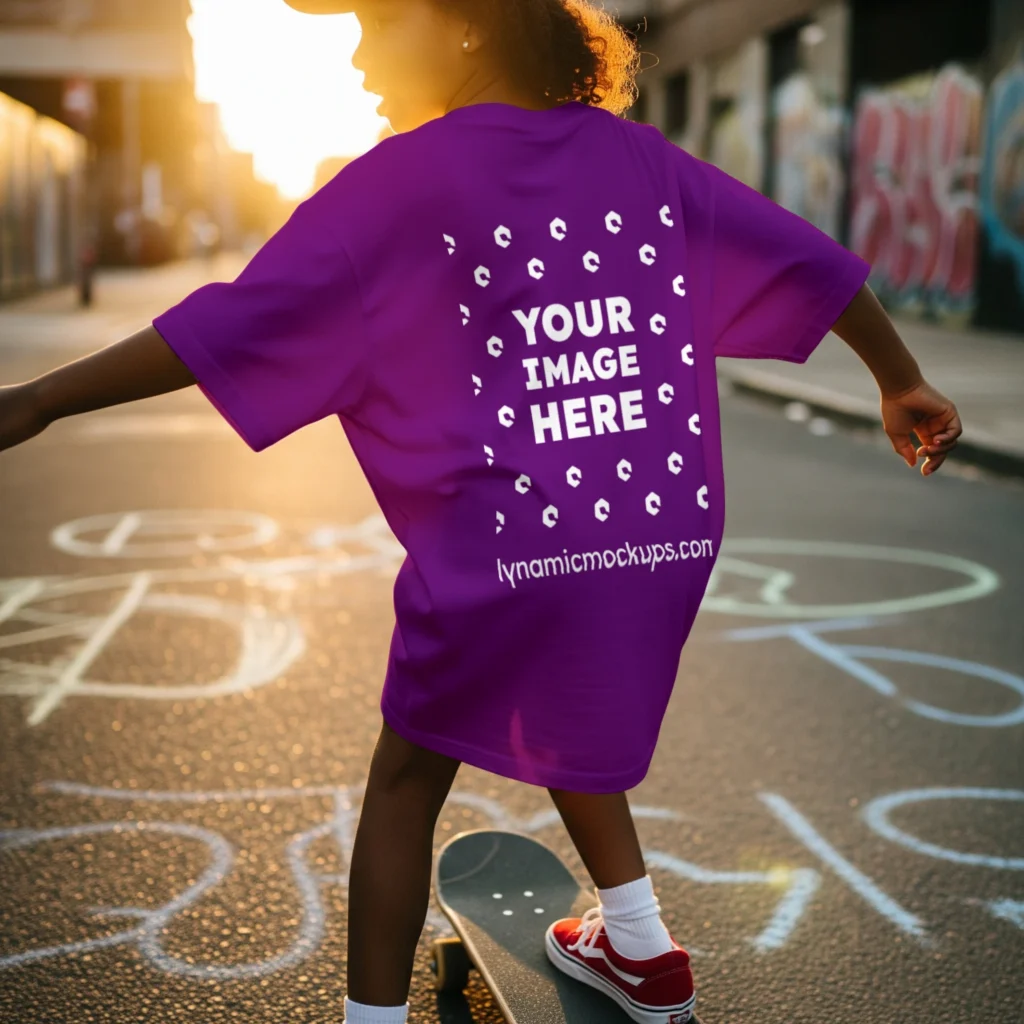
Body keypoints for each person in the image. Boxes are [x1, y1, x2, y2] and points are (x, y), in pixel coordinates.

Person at [0, 1, 963, 1021]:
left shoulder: (398, 181)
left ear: (464, 27)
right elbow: (807, 264)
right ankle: (638, 947)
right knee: (557, 690)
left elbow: (233, 325)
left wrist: (43, 396)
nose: (360, 56)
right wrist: (899, 380)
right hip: (656, 531)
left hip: (510, 545)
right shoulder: (642, 161)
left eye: (376, 26)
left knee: (407, 779)